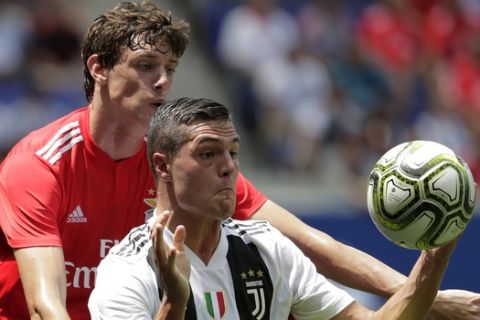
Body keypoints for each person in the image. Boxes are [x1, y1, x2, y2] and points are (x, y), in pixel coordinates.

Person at [0, 1, 478, 319]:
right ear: (98, 69)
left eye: (170, 69)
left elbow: (309, 243)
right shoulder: (39, 166)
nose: (163, 81)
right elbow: (46, 308)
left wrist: (422, 295)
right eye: (146, 66)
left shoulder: (181, 161)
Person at [88, 97, 458, 319]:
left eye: (233, 153)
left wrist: (434, 256)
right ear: (163, 165)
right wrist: (174, 302)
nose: (228, 167)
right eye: (207, 154)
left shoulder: (267, 249)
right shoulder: (127, 272)